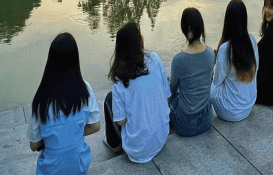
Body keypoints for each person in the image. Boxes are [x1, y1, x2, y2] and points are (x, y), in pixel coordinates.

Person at [28, 33, 101, 175]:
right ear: (76, 60)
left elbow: (33, 145)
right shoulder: (85, 89)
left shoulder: (41, 99)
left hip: (51, 170)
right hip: (79, 166)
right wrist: (75, 133)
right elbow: (95, 126)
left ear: (51, 61)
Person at [103, 22, 170, 163]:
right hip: (162, 137)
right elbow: (165, 94)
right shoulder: (155, 59)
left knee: (109, 100)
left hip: (137, 150)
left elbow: (121, 121)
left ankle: (114, 145)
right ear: (139, 40)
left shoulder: (119, 78)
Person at [210, 0, 259, 121]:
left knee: (209, 87)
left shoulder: (225, 48)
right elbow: (256, 68)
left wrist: (215, 65)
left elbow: (217, 82)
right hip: (249, 105)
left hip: (230, 111)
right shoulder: (252, 40)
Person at [169, 7, 215, 137]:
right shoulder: (211, 54)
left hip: (185, 125)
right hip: (206, 121)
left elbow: (172, 90)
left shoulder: (178, 60)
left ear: (184, 29)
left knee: (175, 97)